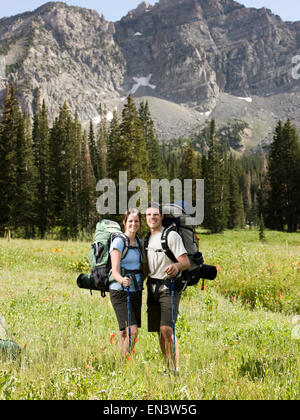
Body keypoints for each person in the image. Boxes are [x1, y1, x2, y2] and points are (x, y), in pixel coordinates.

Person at [145, 203, 190, 372]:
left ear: (162, 216)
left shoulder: (171, 236)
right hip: (152, 288)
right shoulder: (147, 239)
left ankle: (175, 369)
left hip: (169, 287)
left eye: (155, 214)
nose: (152, 217)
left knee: (167, 328)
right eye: (149, 215)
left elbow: (185, 261)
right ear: (145, 218)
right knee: (159, 330)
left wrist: (177, 267)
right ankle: (168, 367)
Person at [109, 209, 144, 355]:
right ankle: (126, 362)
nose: (133, 224)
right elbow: (115, 271)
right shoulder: (119, 241)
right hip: (119, 290)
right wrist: (122, 280)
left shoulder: (140, 243)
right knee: (132, 331)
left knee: (124, 332)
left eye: (136, 221)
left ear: (140, 223)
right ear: (124, 223)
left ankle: (120, 363)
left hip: (136, 290)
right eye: (130, 221)